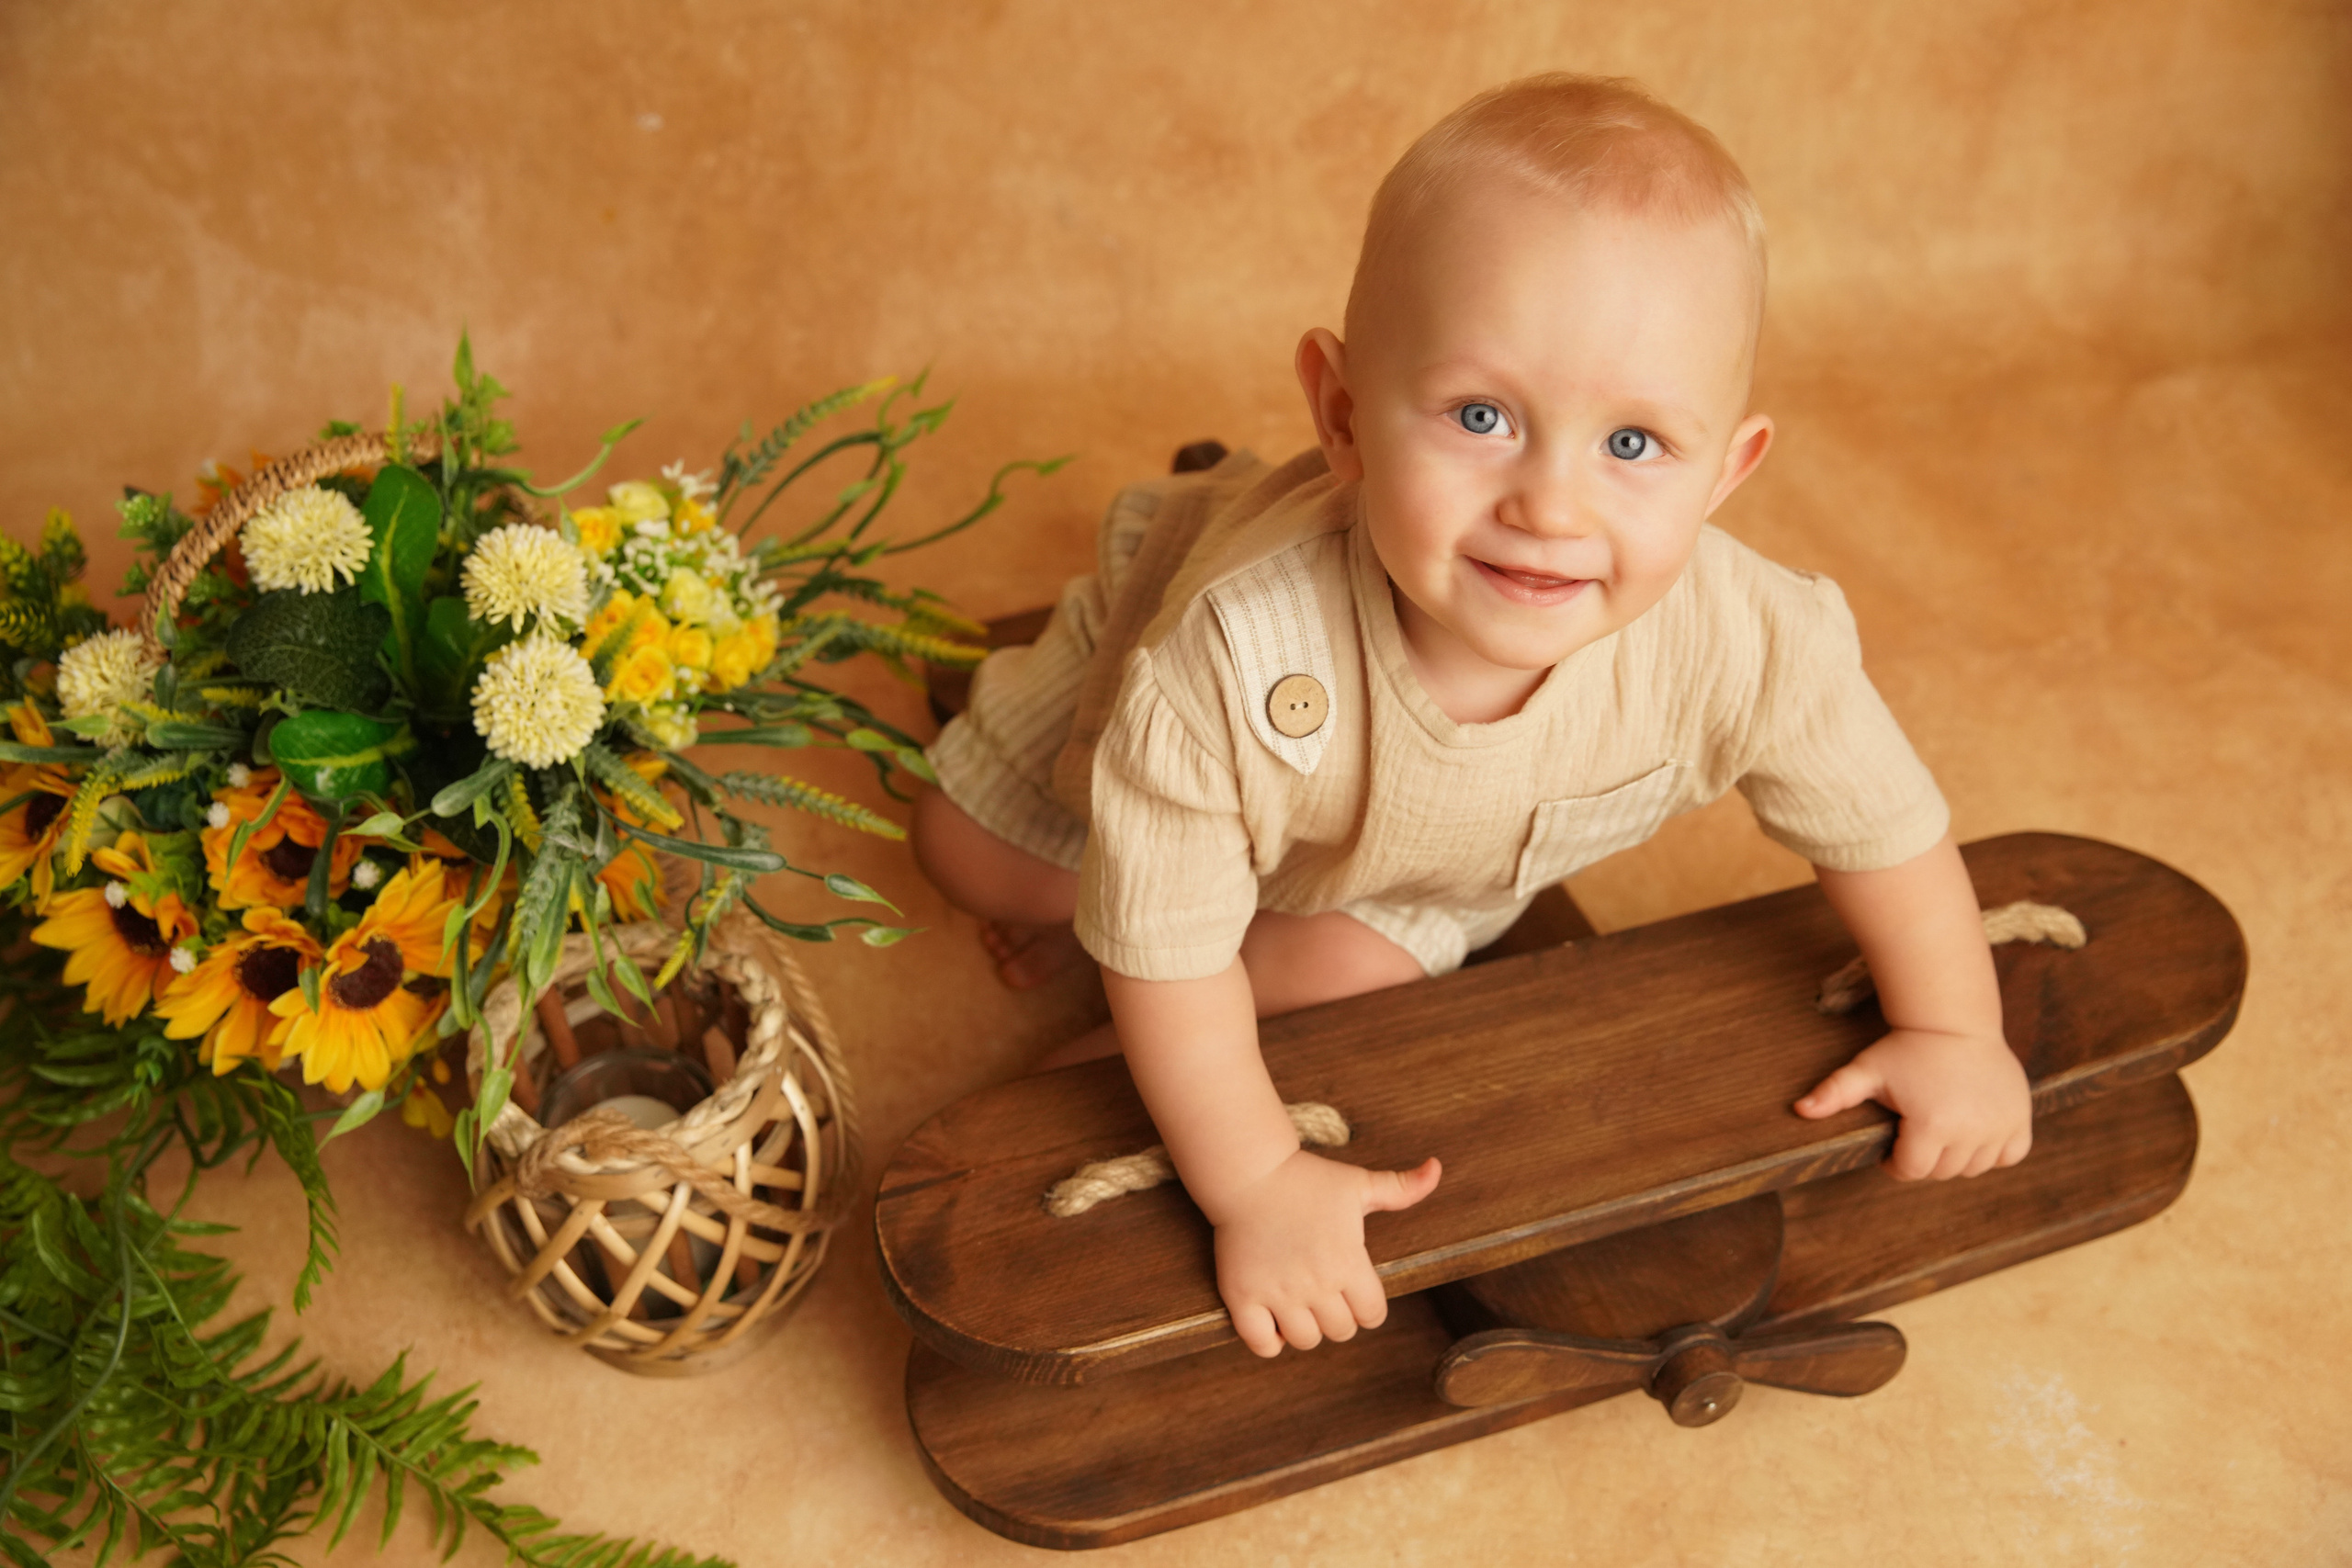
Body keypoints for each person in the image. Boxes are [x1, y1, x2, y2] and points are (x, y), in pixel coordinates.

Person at [911, 73, 2032, 1361]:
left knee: (1340, 990)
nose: (1550, 508)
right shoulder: (1229, 655)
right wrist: (1257, 1183)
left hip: (1412, 868)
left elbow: (1884, 830)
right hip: (1170, 738)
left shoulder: (1750, 637)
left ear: (1727, 470)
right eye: (1482, 418)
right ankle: (1120, 919)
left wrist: (1955, 1029)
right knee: (965, 851)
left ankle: (1156, 1006)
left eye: (1633, 445)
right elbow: (1169, 938)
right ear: (1343, 416)